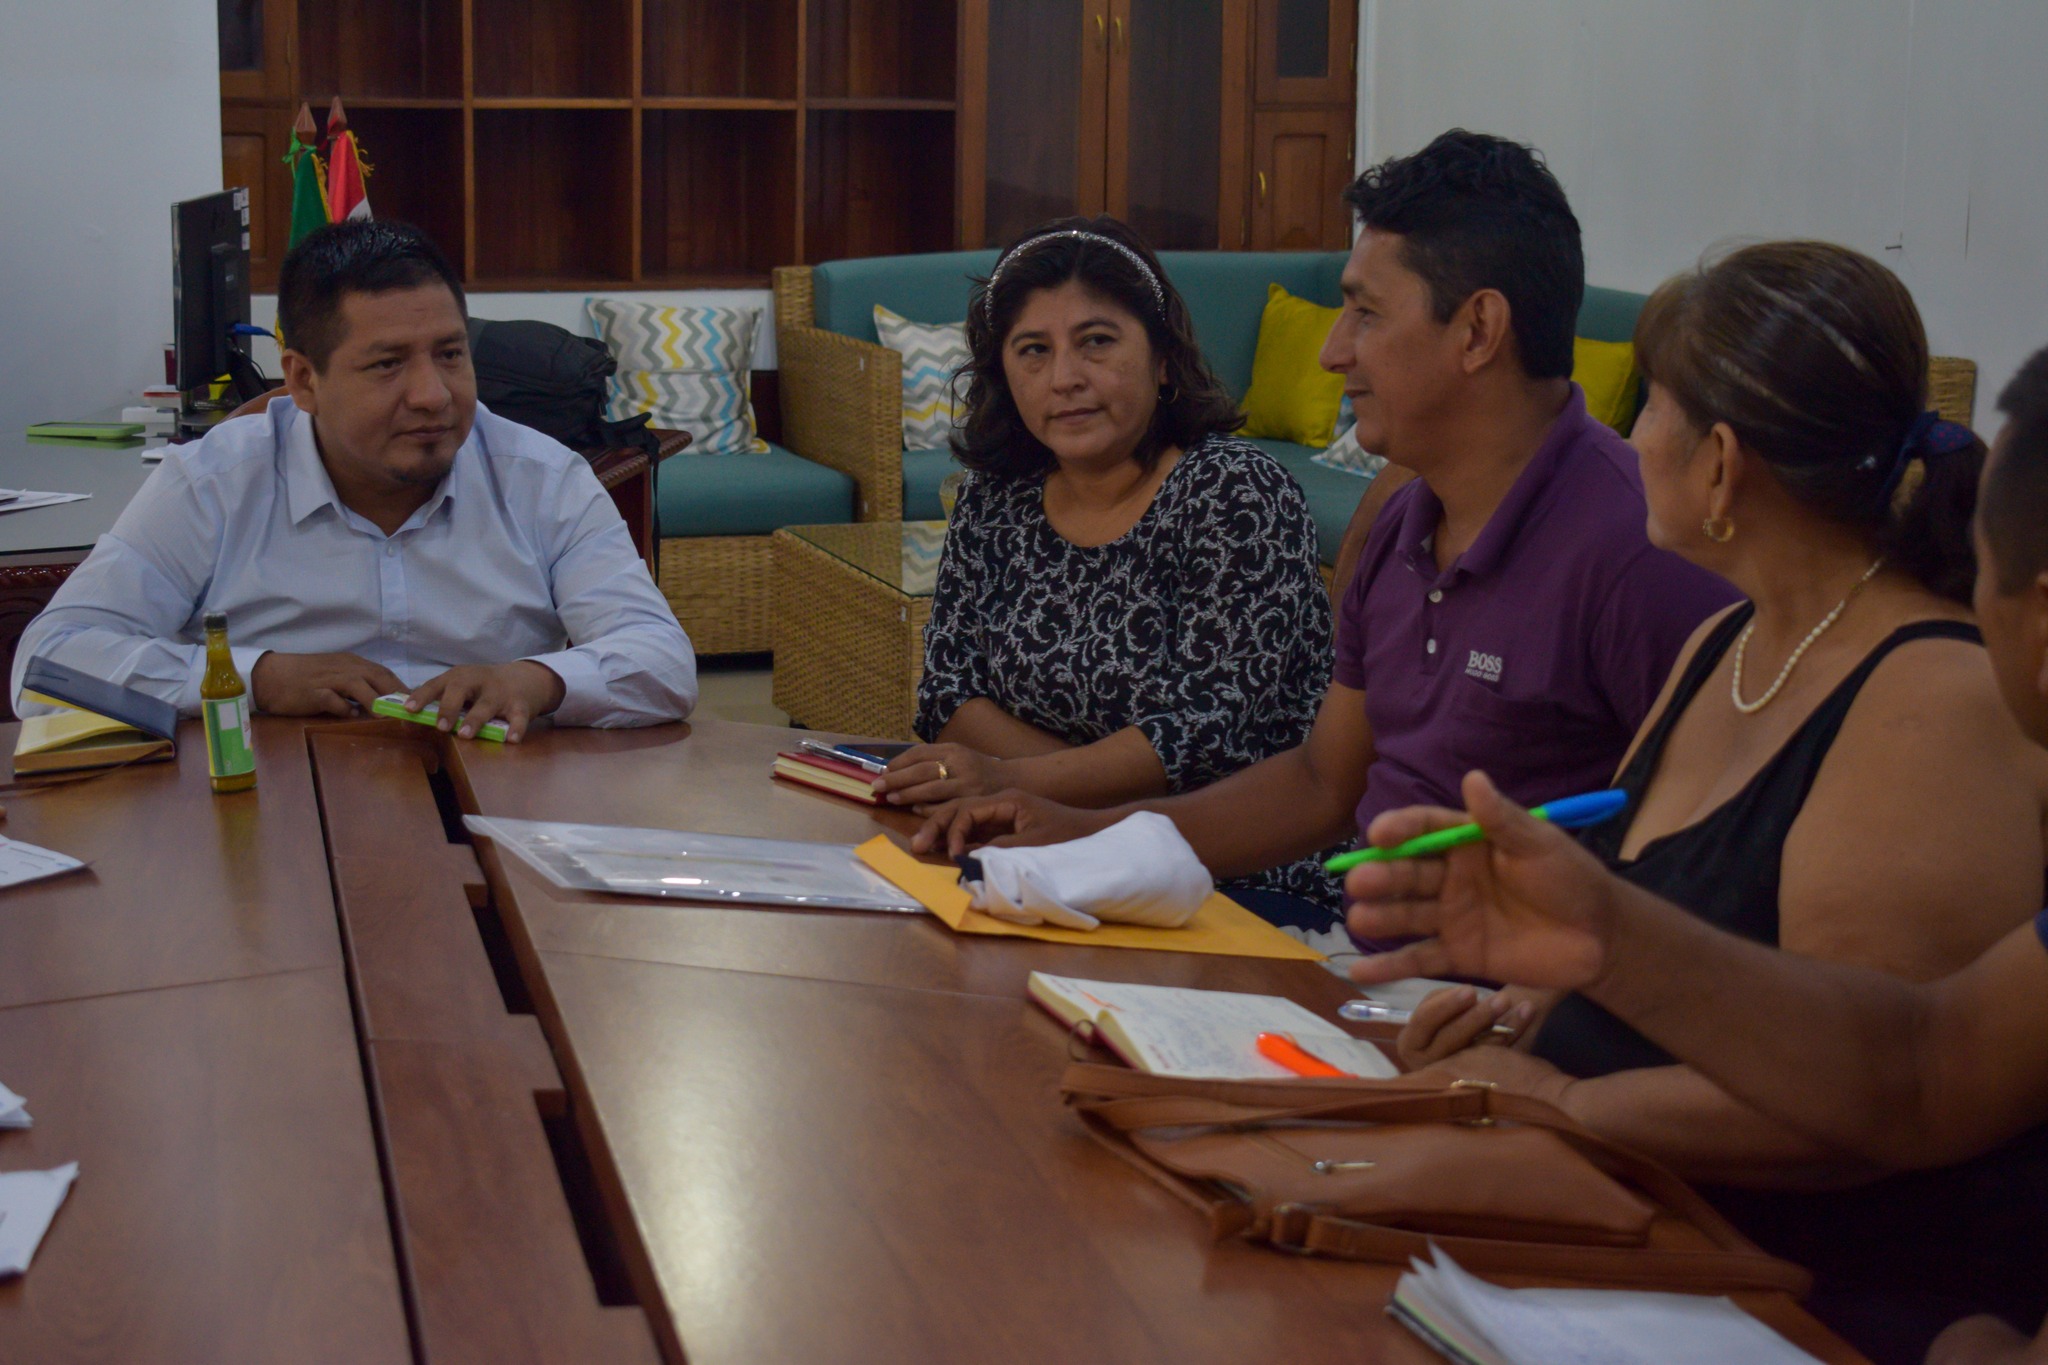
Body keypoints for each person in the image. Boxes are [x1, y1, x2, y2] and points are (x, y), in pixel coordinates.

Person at [1342, 347, 2048, 1365]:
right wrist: (1593, 948)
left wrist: (1565, 1099)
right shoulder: (1718, 639)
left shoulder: (1927, 692)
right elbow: (1922, 1067)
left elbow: (1890, 1101)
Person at [912, 130, 1736, 949]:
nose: (1333, 350)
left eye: (1366, 313)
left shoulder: (1641, 553)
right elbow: (1319, 784)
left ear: (1478, 330)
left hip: (1501, 1012)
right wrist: (1081, 831)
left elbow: (1720, 875)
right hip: (1362, 962)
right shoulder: (1408, 522)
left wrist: (1537, 1014)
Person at [12, 219, 696, 739]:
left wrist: (538, 679)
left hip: (488, 800)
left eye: (450, 354)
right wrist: (257, 678)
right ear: (304, 379)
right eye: (387, 364)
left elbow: (663, 662)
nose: (433, 395)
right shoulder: (216, 481)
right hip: (269, 813)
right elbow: (47, 668)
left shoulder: (542, 479)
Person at [872, 217, 1341, 919]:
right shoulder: (995, 496)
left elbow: (1206, 734)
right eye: (1033, 350)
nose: (1065, 378)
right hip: (1038, 849)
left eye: (1096, 342)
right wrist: (1044, 804)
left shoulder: (1235, 493)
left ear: (1160, 357)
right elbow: (947, 691)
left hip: (1227, 874)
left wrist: (1013, 780)